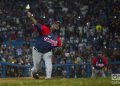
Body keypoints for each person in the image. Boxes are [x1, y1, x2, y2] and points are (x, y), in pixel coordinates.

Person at [27, 11, 62, 79]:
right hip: (37, 51)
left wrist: (59, 51)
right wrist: (31, 17)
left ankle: (48, 77)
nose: (57, 25)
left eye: (58, 25)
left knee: (49, 63)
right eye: (55, 24)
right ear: (52, 25)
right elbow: (36, 23)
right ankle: (33, 72)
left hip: (47, 52)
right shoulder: (45, 29)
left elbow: (59, 48)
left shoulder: (57, 38)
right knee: (37, 68)